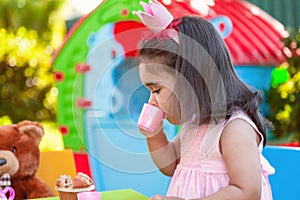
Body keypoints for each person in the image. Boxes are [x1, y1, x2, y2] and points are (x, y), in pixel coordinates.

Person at [133, 1, 275, 199]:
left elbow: (247, 191)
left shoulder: (234, 129)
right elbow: (170, 165)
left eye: (156, 90)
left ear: (191, 80)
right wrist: (155, 135)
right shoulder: (196, 122)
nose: (152, 101)